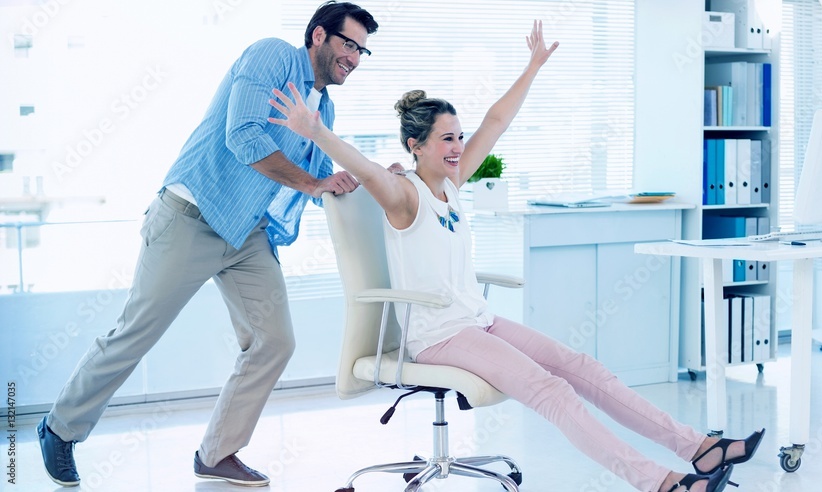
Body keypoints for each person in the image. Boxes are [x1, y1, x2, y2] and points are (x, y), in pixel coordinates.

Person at [269, 20, 764, 492]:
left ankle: (700, 448)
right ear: (414, 146)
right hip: (438, 337)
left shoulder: (453, 185)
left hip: (476, 321)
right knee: (553, 393)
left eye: (459, 137)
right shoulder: (403, 195)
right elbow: (363, 167)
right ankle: (660, 482)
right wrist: (315, 131)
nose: (460, 146)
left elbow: (496, 121)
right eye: (447, 138)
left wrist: (532, 68)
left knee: (582, 367)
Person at [35, 2, 392, 488]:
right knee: (135, 332)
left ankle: (217, 453)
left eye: (362, 50)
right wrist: (313, 183)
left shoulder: (323, 108)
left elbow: (324, 177)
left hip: (247, 234)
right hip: (192, 214)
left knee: (275, 341)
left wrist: (376, 179)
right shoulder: (272, 58)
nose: (354, 57)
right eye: (348, 43)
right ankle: (59, 427)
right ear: (318, 36)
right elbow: (243, 136)